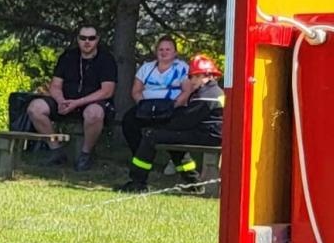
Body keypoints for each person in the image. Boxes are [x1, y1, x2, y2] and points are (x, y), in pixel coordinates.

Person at [116, 53, 225, 193]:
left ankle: (137, 182)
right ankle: (193, 183)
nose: (192, 80)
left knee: (151, 135)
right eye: (191, 76)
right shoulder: (213, 92)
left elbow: (185, 121)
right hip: (209, 133)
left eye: (197, 76)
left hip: (206, 135)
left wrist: (161, 125)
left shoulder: (206, 96)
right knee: (171, 138)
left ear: (209, 76)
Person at [26, 25, 118, 171]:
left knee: (94, 113)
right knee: (35, 108)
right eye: (83, 38)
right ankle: (56, 150)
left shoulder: (106, 59)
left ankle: (85, 154)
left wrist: (77, 103)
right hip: (66, 100)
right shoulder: (67, 57)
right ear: (78, 39)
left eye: (91, 38)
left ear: (97, 39)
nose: (87, 42)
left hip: (91, 103)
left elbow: (107, 91)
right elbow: (55, 85)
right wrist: (60, 101)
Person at [121, 36, 188, 160]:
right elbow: (136, 91)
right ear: (156, 52)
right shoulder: (146, 68)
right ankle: (140, 157)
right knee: (129, 120)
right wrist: (144, 106)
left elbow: (187, 91)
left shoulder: (182, 68)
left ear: (175, 53)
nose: (164, 52)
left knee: (175, 126)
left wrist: (173, 106)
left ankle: (178, 161)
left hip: (172, 108)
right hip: (148, 108)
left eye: (168, 49)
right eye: (161, 49)